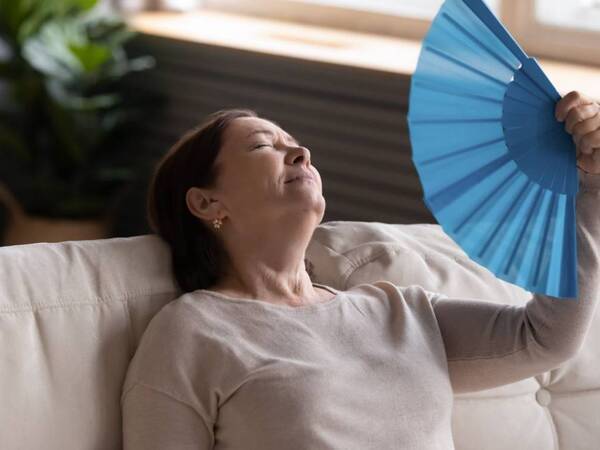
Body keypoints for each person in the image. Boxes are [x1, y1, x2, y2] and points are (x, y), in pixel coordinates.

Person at [121, 91, 600, 449]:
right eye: (264, 145)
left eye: (297, 144)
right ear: (207, 202)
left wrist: (587, 189)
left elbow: (546, 339)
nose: (301, 153)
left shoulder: (398, 309)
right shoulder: (192, 331)